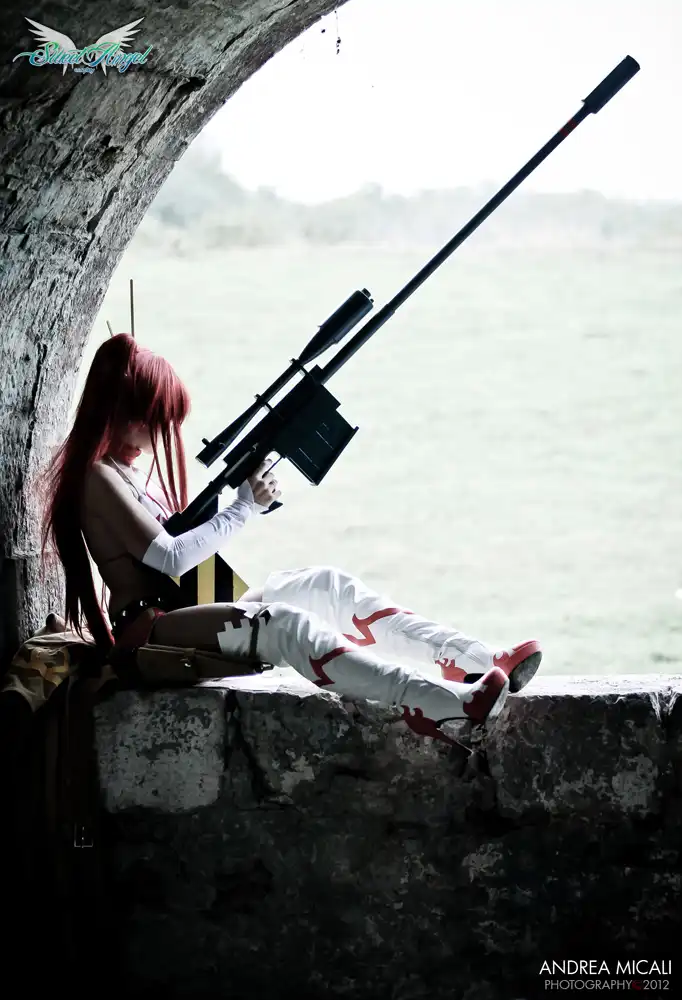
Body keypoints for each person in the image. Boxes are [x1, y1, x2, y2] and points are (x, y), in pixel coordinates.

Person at [40, 334, 542, 746]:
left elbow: (182, 554)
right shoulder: (97, 476)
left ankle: (479, 660)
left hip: (185, 609)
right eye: (153, 417)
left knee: (326, 586)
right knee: (285, 625)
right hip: (151, 632)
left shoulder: (124, 473)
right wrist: (243, 508)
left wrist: (240, 504)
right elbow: (170, 558)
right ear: (123, 412)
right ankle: (447, 704)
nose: (160, 432)